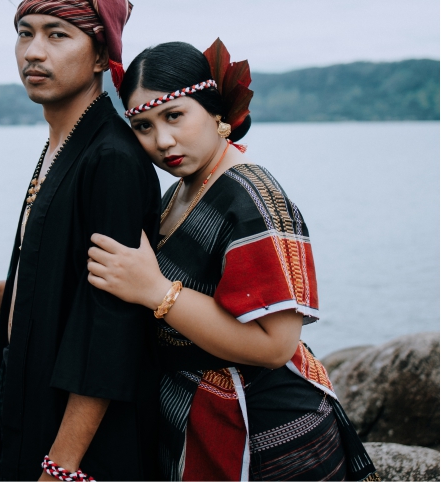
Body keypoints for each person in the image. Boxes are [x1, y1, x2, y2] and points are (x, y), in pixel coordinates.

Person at [86, 40, 380, 481]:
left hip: (269, 433)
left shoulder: (254, 197)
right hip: (200, 419)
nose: (162, 140)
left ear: (214, 111)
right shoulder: (182, 190)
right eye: (143, 125)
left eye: (174, 115)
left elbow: (277, 345)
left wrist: (157, 291)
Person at [0, 0, 162, 481]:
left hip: (78, 435)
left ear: (99, 55)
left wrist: (63, 463)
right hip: (30, 391)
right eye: (25, 33)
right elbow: (65, 280)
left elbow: (110, 325)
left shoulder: (111, 159)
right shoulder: (63, 143)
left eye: (57, 35)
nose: (33, 51)